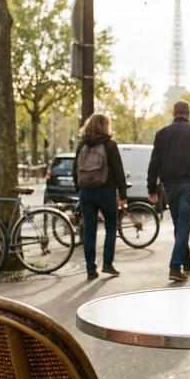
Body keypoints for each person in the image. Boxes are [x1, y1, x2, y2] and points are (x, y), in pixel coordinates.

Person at [148, 101, 190, 282]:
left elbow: (154, 163)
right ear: (188, 113)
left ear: (174, 113)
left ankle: (186, 263)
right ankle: (175, 266)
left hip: (170, 185)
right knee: (184, 225)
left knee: (180, 225)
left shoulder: (162, 134)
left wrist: (151, 188)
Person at [72, 114, 127, 280]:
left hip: (86, 192)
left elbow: (75, 169)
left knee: (89, 230)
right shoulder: (110, 145)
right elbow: (118, 170)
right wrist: (123, 194)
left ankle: (90, 269)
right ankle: (108, 264)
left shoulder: (82, 144)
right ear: (105, 126)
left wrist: (79, 189)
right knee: (111, 227)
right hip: (106, 191)